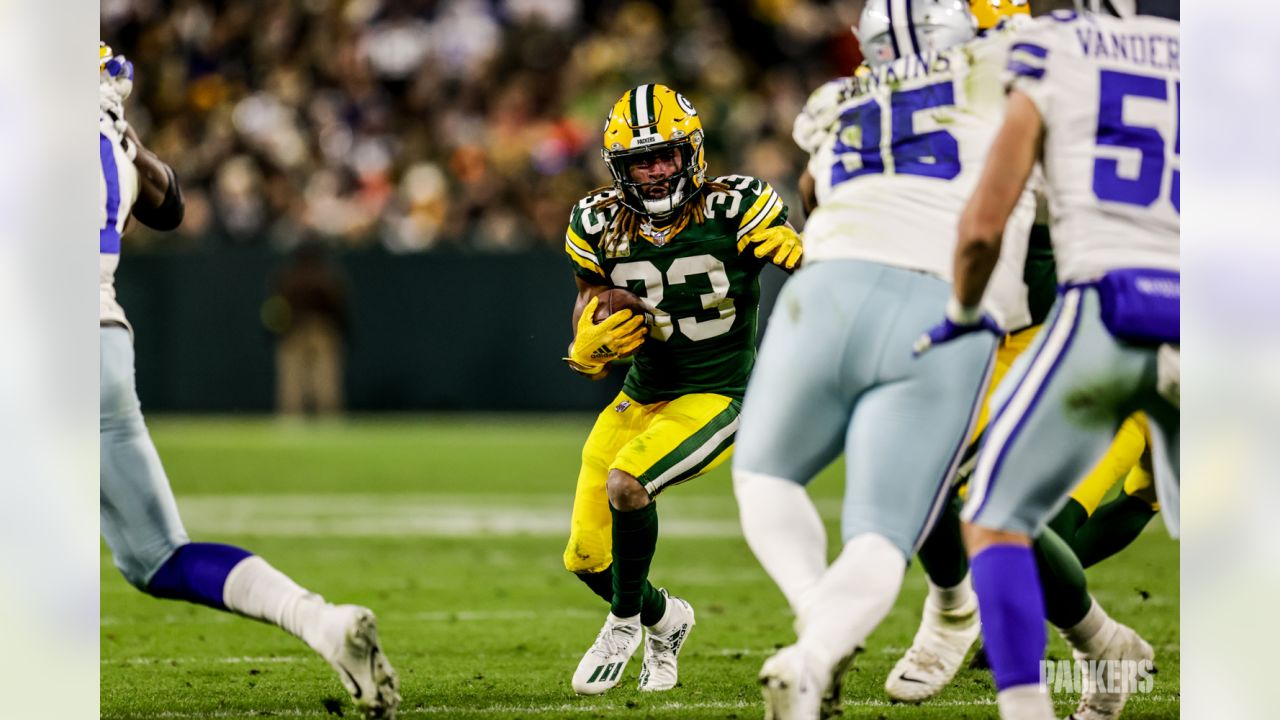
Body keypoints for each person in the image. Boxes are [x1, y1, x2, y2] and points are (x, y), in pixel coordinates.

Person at [730, 2, 1041, 717]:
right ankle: (813, 654)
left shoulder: (835, 98)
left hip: (826, 286)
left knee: (764, 479)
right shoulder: (1000, 65)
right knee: (881, 529)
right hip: (941, 300)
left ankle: (816, 619)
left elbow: (810, 191)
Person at [98, 44, 401, 720]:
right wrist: (118, 125)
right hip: (103, 344)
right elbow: (167, 204)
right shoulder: (113, 137)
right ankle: (321, 621)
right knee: (158, 558)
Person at [913, 0, 1180, 717]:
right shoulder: (1203, 56)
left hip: (1116, 315)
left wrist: (960, 315)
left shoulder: (1052, 55)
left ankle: (1050, 680)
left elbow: (983, 226)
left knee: (1000, 517)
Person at [559, 83, 802, 696]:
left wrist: (807, 255)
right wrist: (588, 339)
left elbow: (824, 276)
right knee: (586, 557)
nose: (656, 171)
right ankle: (665, 619)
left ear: (691, 152)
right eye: (641, 161)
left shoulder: (738, 205)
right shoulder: (597, 221)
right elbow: (590, 297)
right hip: (642, 393)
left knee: (628, 483)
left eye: (665, 156)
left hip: (719, 393)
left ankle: (622, 624)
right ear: (619, 169)